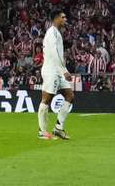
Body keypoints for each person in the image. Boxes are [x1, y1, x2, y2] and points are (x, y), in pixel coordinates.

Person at [39, 9, 74, 140]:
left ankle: (58, 128)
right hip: (51, 70)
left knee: (70, 96)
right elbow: (54, 53)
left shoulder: (57, 33)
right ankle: (42, 131)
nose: (65, 19)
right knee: (46, 99)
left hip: (58, 70)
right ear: (56, 18)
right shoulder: (52, 33)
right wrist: (64, 70)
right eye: (63, 17)